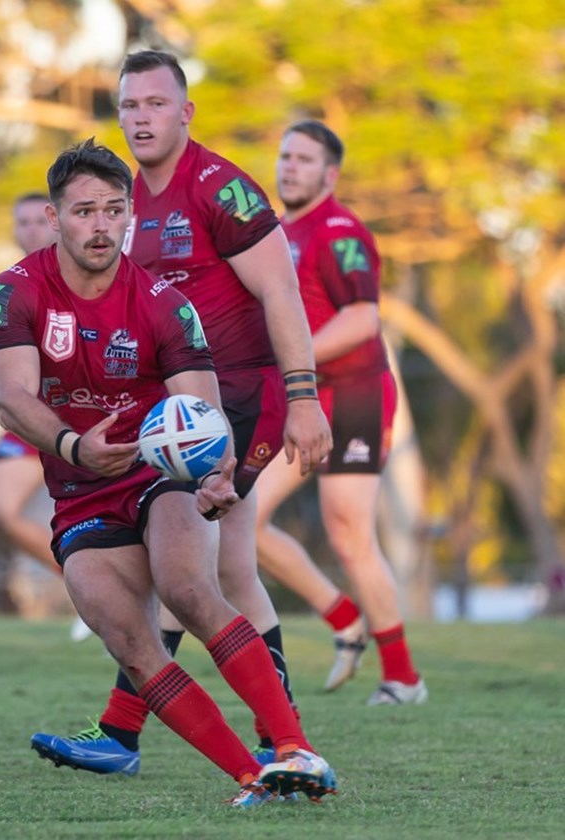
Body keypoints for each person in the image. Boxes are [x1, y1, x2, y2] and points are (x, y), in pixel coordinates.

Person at [0, 138, 337, 805]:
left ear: (130, 218)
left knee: (189, 587)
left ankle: (294, 749)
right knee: (132, 644)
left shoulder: (163, 302)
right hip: (80, 494)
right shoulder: (15, 291)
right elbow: (12, 396)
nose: (101, 224)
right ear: (55, 219)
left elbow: (199, 404)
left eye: (115, 210)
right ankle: (251, 776)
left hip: (155, 478)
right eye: (84, 211)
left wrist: (215, 467)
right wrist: (76, 448)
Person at [253, 119, 427, 705]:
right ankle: (342, 616)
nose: (288, 167)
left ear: (330, 174)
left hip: (352, 392)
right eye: (284, 156)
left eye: (303, 159)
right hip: (302, 396)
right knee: (241, 519)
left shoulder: (340, 230)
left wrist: (293, 357)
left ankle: (403, 677)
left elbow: (361, 320)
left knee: (350, 535)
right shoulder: (275, 233)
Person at [0, 193, 92, 639]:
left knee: (103, 510)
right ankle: (88, 584)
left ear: (54, 224)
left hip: (79, 407)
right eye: (20, 221)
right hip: (30, 412)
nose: (29, 229)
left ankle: (106, 590)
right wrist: (5, 391)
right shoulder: (10, 283)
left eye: (36, 221)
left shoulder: (81, 272)